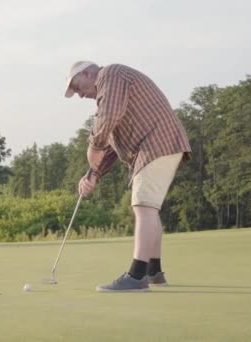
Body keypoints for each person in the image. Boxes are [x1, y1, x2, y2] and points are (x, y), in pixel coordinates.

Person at [64, 61, 191, 292]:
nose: (79, 95)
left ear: (88, 73)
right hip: (157, 147)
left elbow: (108, 120)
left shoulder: (110, 74)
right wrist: (93, 174)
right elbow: (110, 146)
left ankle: (137, 275)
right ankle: (154, 272)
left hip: (157, 143)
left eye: (77, 86)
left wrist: (94, 145)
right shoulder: (110, 97)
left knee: (144, 207)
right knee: (148, 208)